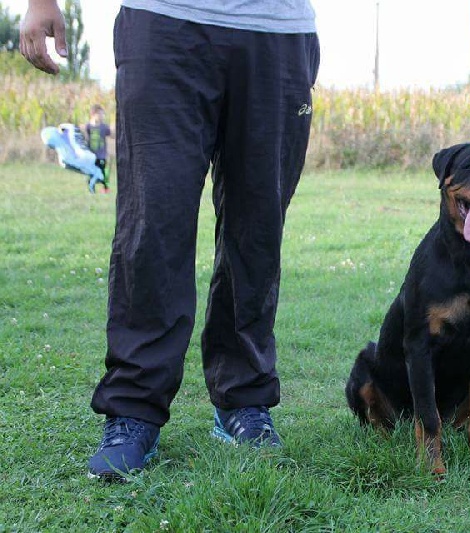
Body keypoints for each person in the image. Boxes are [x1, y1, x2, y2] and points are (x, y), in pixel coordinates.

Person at [20, 0, 319, 479]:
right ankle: (134, 408)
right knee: (152, 223)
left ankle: (243, 399)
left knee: (257, 231)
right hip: (164, 22)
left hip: (277, 30)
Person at [84, 104, 113, 182]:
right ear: (93, 114)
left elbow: (111, 135)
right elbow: (86, 138)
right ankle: (91, 183)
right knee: (91, 171)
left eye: (102, 114)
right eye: (100, 114)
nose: (102, 116)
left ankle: (105, 185)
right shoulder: (88, 126)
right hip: (91, 154)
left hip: (102, 155)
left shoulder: (104, 127)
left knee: (102, 171)